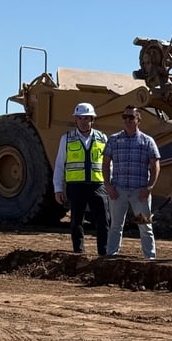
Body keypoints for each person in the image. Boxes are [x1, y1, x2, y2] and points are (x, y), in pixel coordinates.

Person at [103, 105, 160, 259]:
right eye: (125, 117)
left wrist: (149, 187)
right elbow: (106, 163)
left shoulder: (148, 141)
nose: (127, 120)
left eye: (131, 117)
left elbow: (155, 165)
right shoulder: (113, 140)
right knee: (115, 225)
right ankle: (111, 254)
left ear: (138, 120)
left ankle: (150, 257)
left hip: (139, 192)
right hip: (118, 190)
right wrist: (108, 185)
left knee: (145, 226)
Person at [52, 102, 109, 255]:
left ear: (92, 120)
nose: (83, 122)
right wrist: (58, 188)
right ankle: (79, 252)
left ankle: (104, 253)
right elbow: (59, 165)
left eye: (87, 118)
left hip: (98, 185)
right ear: (75, 120)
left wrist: (111, 185)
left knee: (103, 221)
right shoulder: (67, 139)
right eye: (80, 118)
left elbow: (110, 165)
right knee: (77, 221)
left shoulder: (102, 138)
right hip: (76, 186)